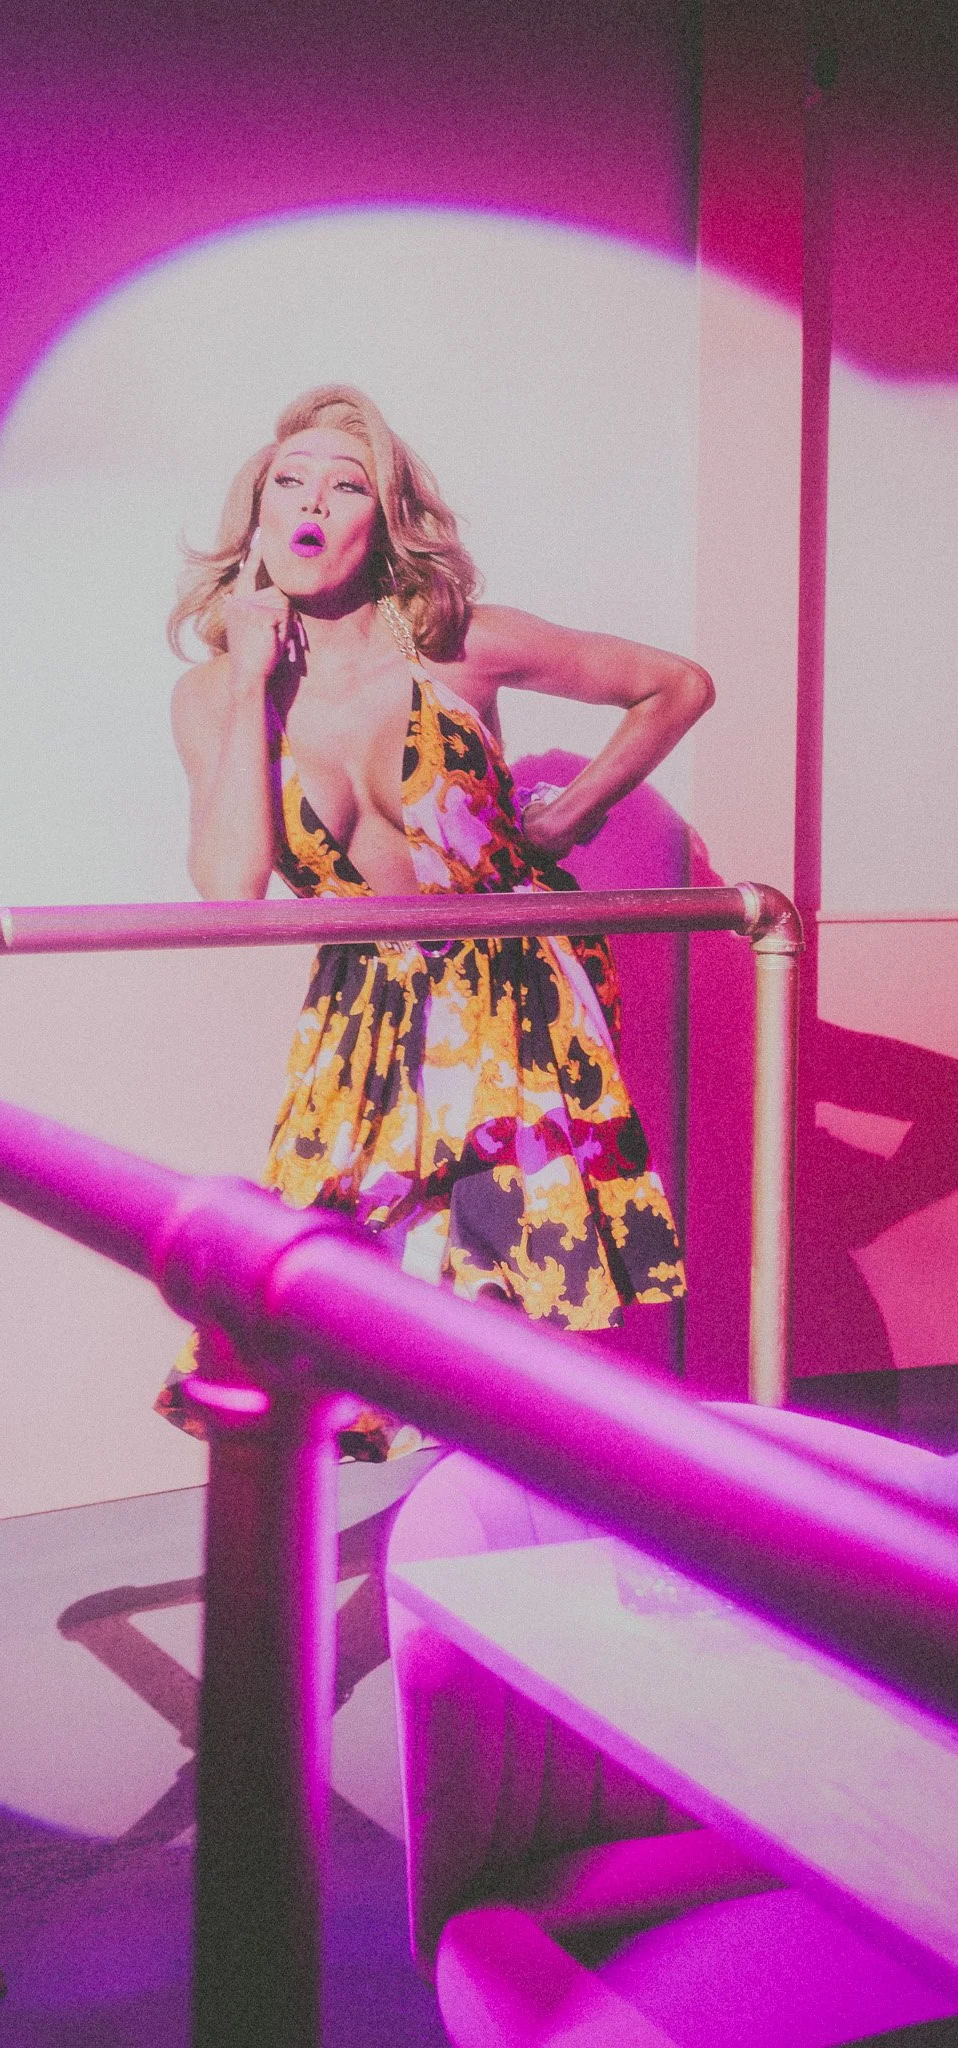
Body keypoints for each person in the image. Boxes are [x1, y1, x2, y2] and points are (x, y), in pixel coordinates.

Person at [156, 386, 712, 1459]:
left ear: (383, 521)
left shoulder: (458, 643)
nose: (315, 499)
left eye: (348, 482)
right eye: (291, 481)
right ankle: (469, 1526)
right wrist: (243, 678)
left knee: (515, 1280)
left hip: (513, 986)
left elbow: (675, 685)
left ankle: (534, 1532)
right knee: (324, 1280)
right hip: (365, 1007)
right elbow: (230, 886)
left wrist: (580, 805)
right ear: (259, 516)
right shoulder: (211, 695)